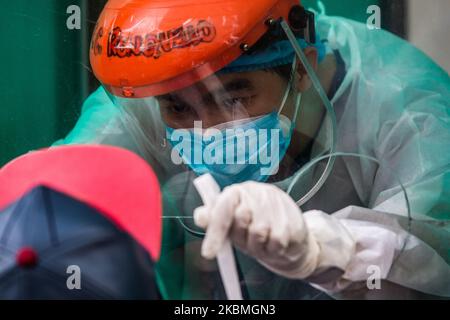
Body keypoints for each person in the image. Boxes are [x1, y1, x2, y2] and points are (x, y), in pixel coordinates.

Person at [56, 0, 450, 299]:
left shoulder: (406, 110)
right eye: (177, 108)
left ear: (300, 67)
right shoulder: (157, 85)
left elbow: (431, 270)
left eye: (233, 99)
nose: (207, 131)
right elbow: (68, 181)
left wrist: (323, 249)